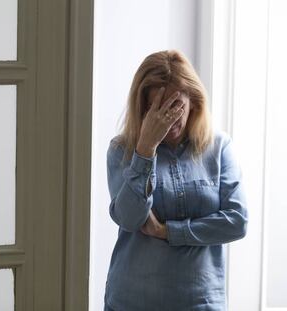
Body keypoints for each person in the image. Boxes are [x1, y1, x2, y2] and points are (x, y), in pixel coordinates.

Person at [104, 50, 248, 311]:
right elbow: (129, 218)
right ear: (143, 109)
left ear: (193, 100)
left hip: (202, 302)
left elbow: (237, 221)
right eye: (155, 108)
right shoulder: (121, 151)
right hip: (133, 301)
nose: (167, 117)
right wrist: (145, 150)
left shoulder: (218, 147)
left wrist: (168, 231)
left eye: (175, 105)